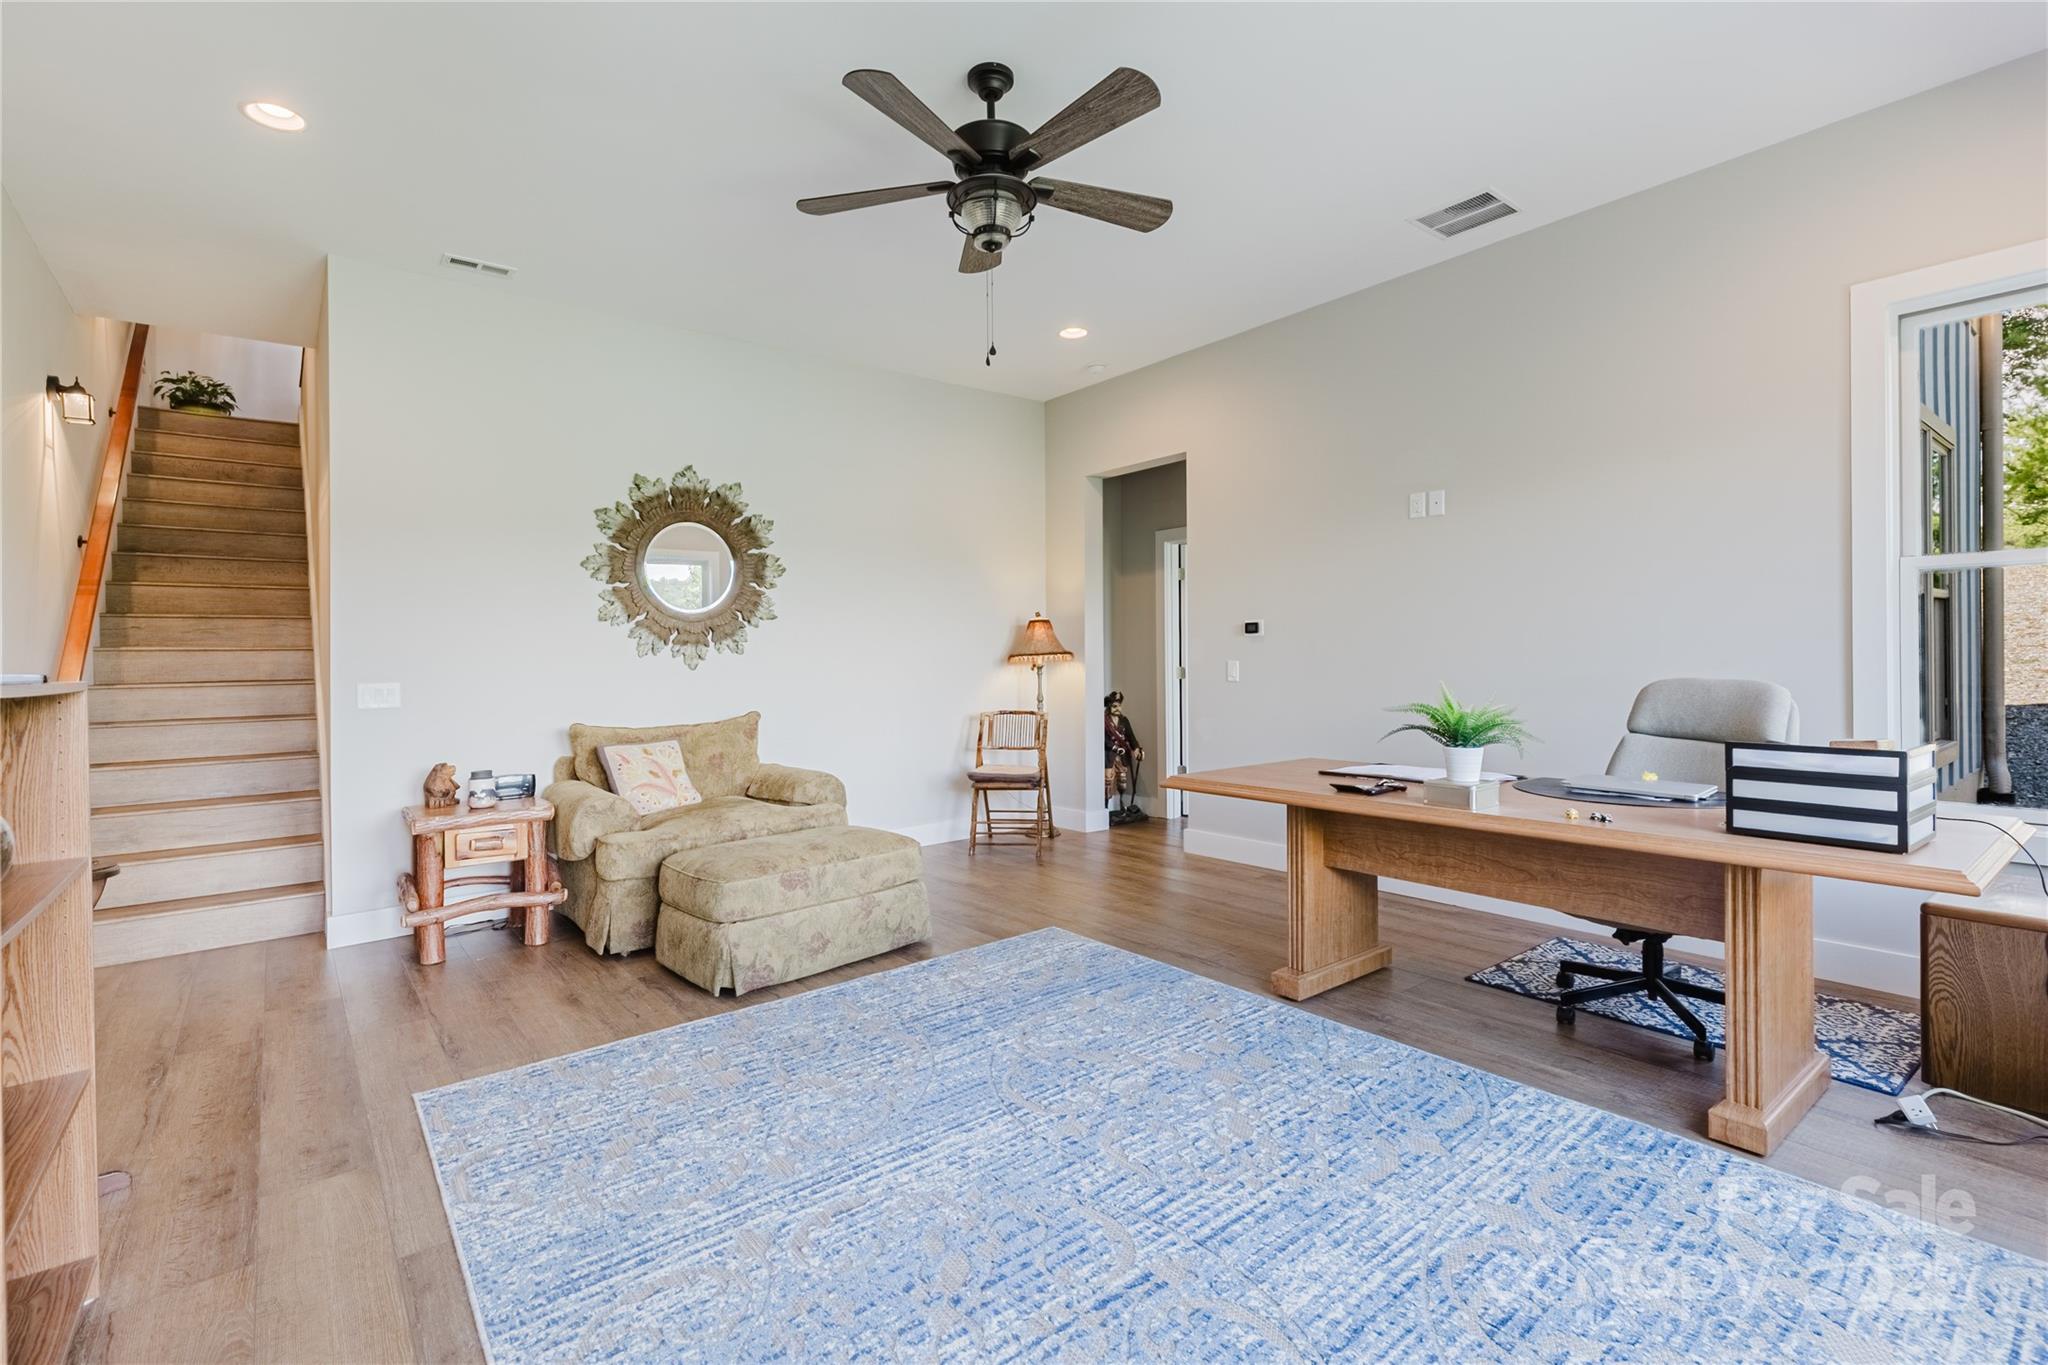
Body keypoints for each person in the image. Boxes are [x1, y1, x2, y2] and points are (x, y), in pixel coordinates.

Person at [1105, 691, 1148, 824]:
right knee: (1107, 782)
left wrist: (1137, 749)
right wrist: (1115, 748)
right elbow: (1104, 740)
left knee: (1122, 782)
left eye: (1119, 706)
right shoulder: (1104, 721)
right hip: (1110, 756)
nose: (1118, 709)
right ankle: (1105, 808)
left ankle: (1122, 807)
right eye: (1115, 706)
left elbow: (1131, 737)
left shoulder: (1124, 721)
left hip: (1122, 758)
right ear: (1109, 706)